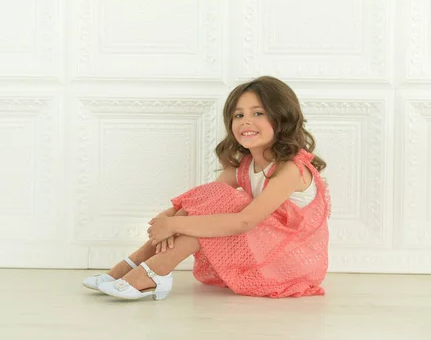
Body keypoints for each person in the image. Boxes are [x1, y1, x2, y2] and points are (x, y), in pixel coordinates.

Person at [82, 76, 331, 300]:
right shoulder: (244, 166)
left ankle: (152, 273)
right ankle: (133, 267)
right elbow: (202, 200)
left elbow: (245, 222)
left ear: (282, 118)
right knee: (212, 199)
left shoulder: (290, 168)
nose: (246, 122)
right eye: (238, 115)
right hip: (263, 247)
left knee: (212, 215)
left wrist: (175, 224)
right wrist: (168, 216)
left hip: (286, 261)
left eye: (258, 113)